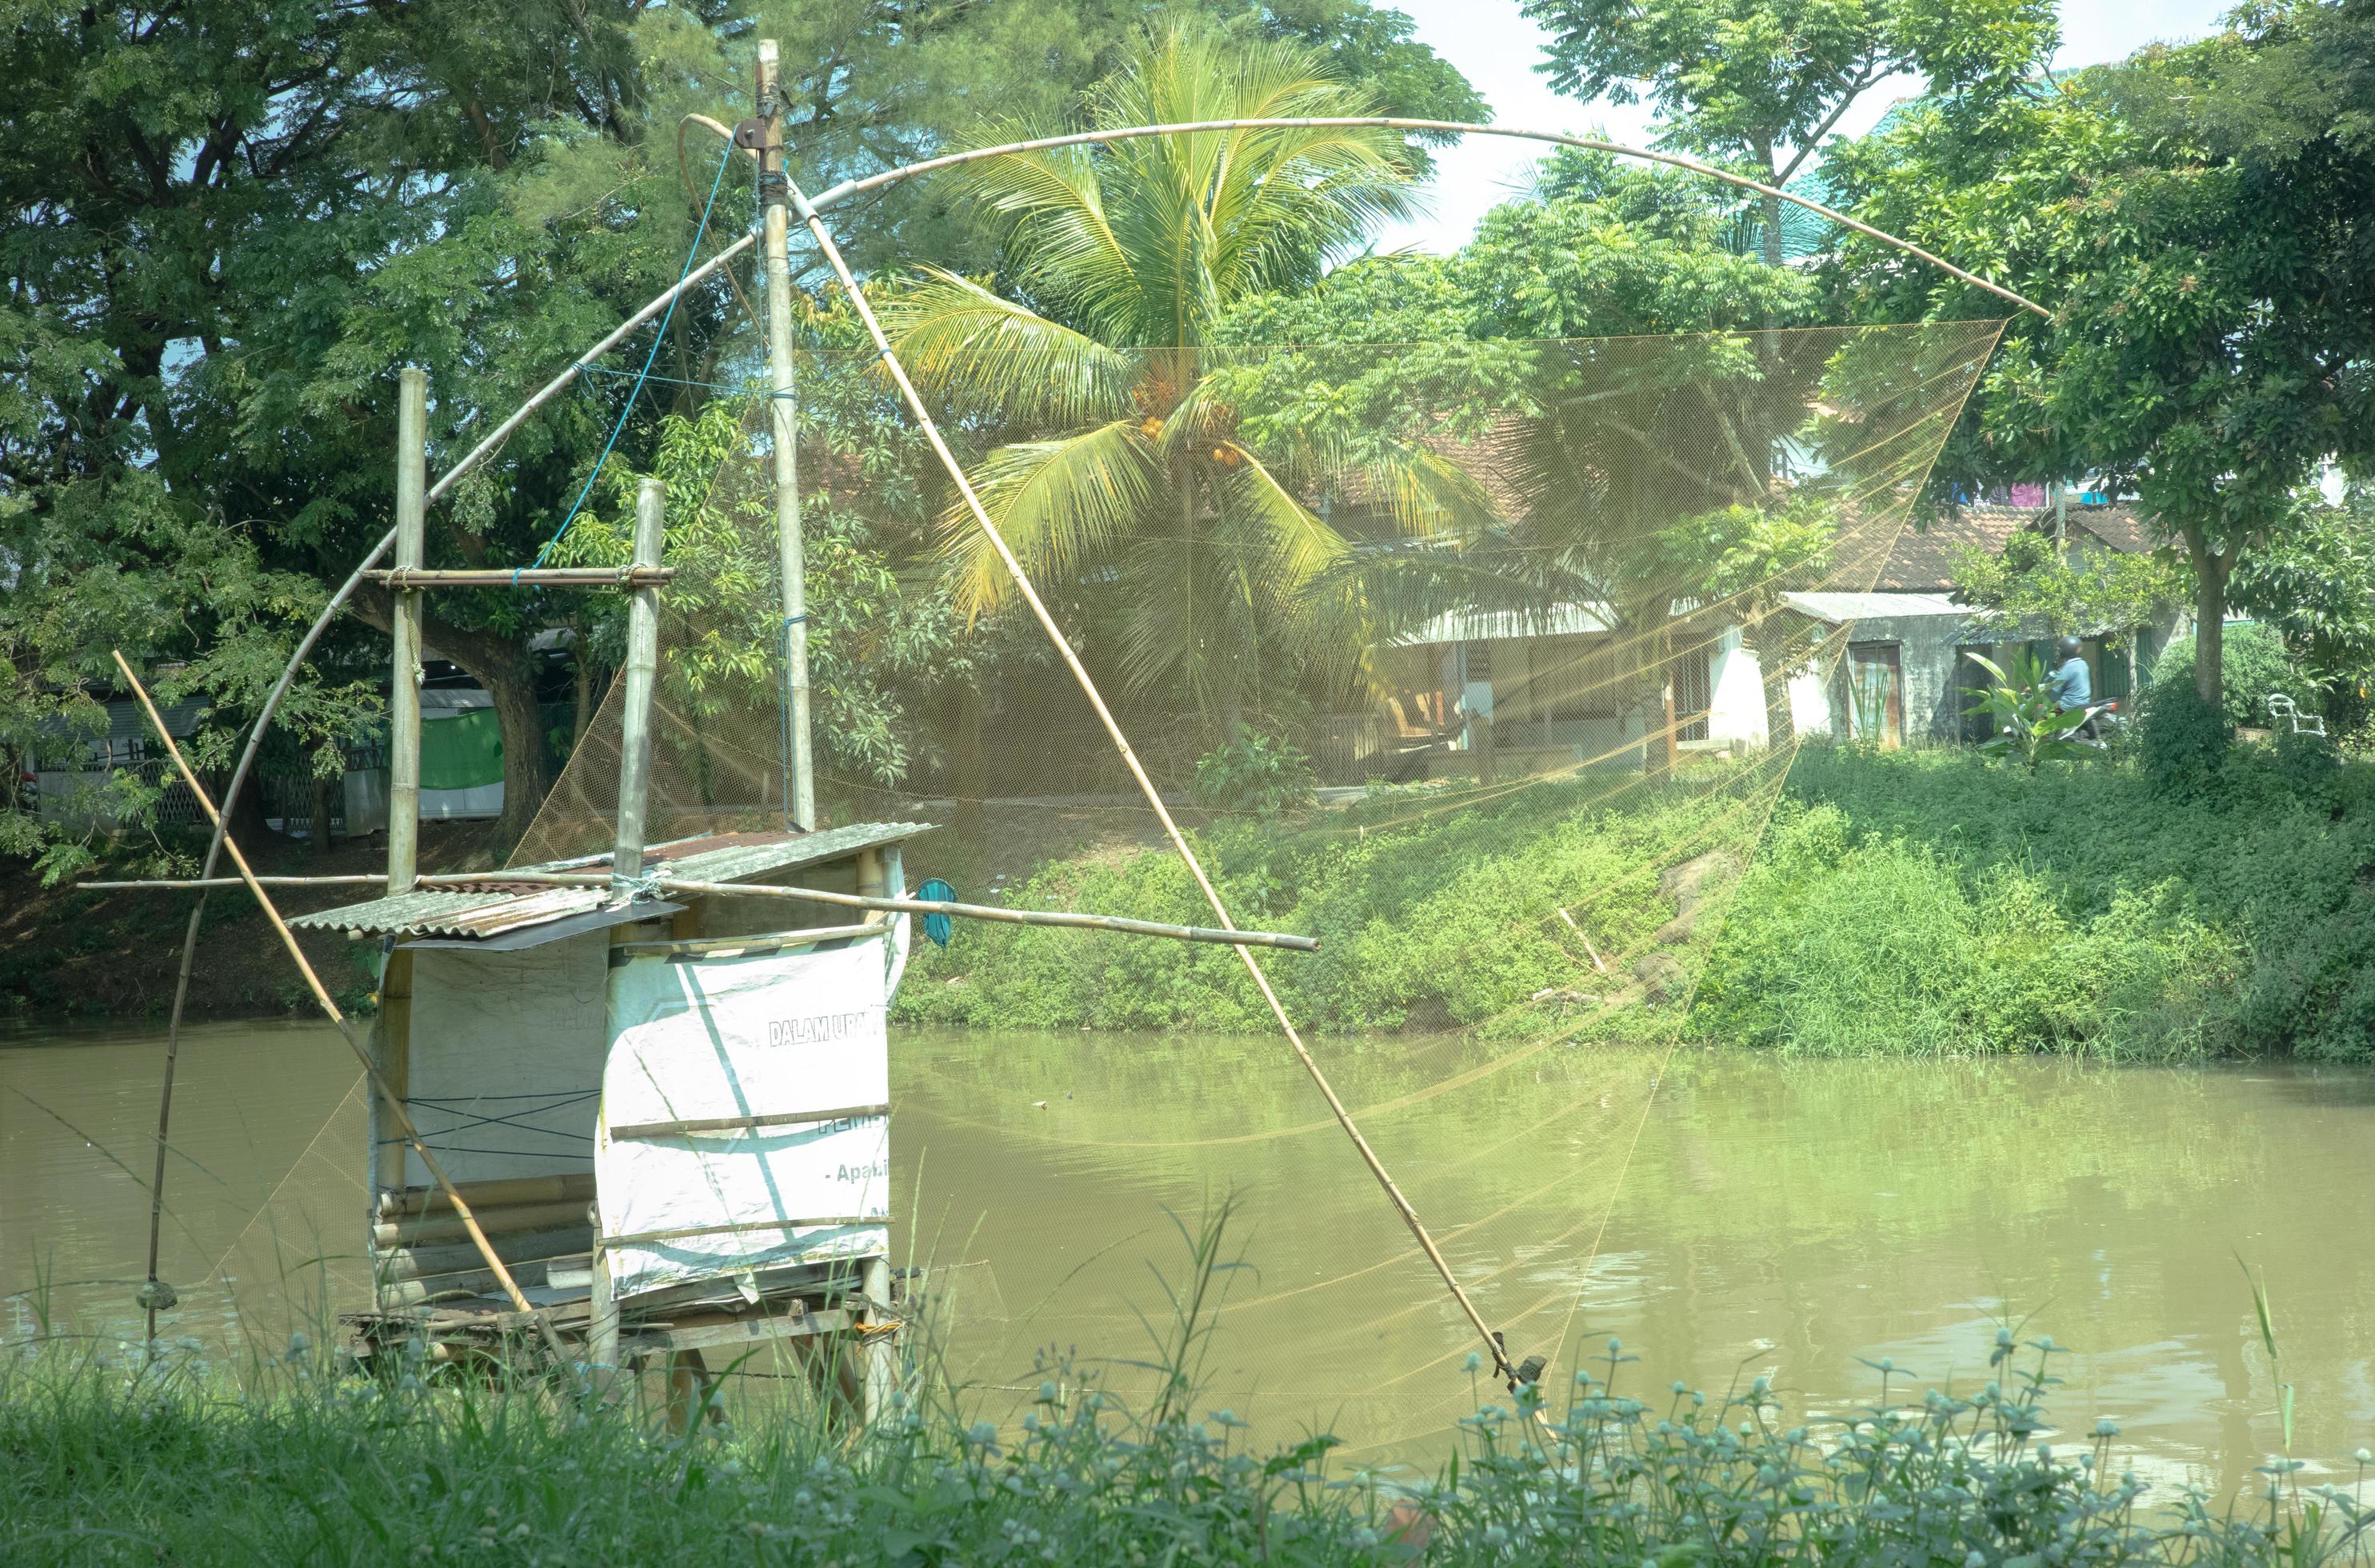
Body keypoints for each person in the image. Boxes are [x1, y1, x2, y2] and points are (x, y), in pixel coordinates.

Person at [2045, 636, 2097, 736]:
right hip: (2084, 703)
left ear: (2066, 650)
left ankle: (2047, 743)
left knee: (2043, 718)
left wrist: (2036, 689)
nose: (2058, 652)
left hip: (2068, 705)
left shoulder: (2069, 666)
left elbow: (2055, 686)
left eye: (2060, 650)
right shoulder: (2083, 664)